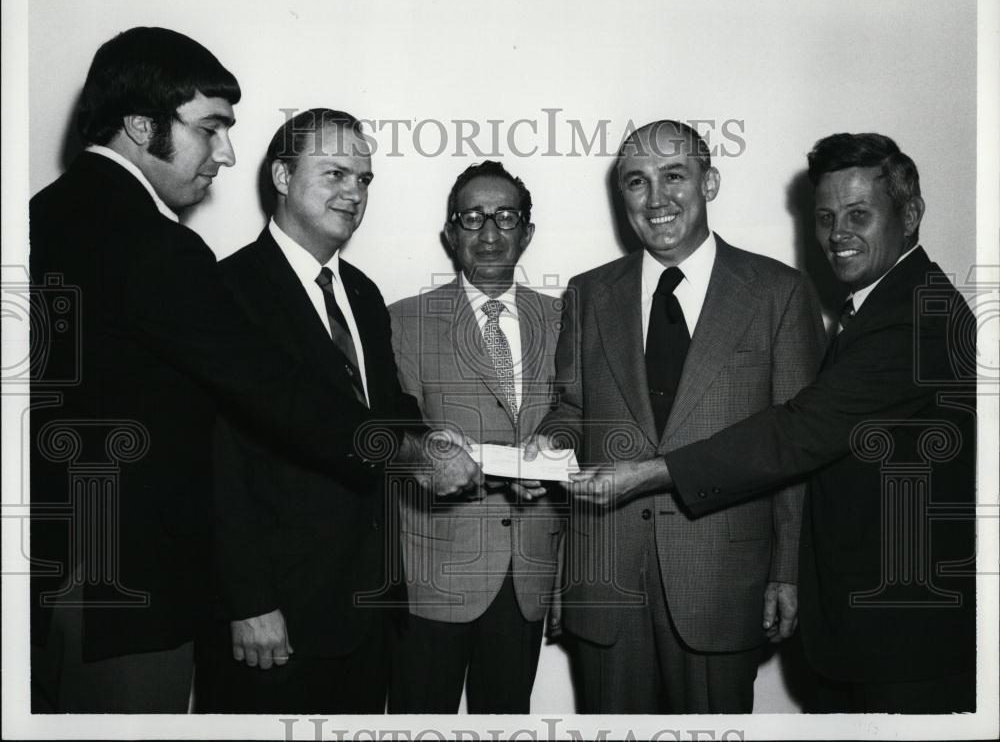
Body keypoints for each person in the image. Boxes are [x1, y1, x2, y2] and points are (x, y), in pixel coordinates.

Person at [29, 28, 479, 713]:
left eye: (364, 179)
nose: (226, 152)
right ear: (142, 125)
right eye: (211, 129)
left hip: (62, 572)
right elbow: (275, 399)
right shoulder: (161, 249)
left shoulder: (41, 217)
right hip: (125, 596)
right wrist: (411, 452)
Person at [645, 133, 975, 713]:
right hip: (862, 630)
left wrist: (651, 471)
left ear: (911, 214)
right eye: (825, 217)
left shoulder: (916, 318)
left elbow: (799, 431)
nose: (837, 234)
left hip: (902, 641)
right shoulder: (877, 305)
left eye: (858, 215)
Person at [530, 120, 826, 713]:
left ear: (709, 181)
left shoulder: (779, 292)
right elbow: (572, 408)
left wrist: (787, 571)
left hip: (723, 579)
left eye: (674, 176)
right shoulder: (589, 293)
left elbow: (798, 444)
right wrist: (548, 442)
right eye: (636, 182)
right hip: (605, 579)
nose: (656, 198)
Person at [202, 108, 420, 713]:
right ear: (280, 175)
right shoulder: (227, 291)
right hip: (275, 620)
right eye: (334, 174)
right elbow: (218, 458)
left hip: (368, 606)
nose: (354, 192)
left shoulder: (366, 295)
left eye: (365, 179)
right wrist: (248, 602)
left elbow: (384, 415)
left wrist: (434, 443)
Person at [386, 161, 564, 713]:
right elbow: (393, 442)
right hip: (434, 578)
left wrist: (556, 454)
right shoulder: (402, 322)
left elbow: (577, 422)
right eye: (472, 219)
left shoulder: (568, 320)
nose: (489, 234)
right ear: (450, 233)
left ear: (527, 232)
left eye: (505, 217)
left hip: (528, 577)